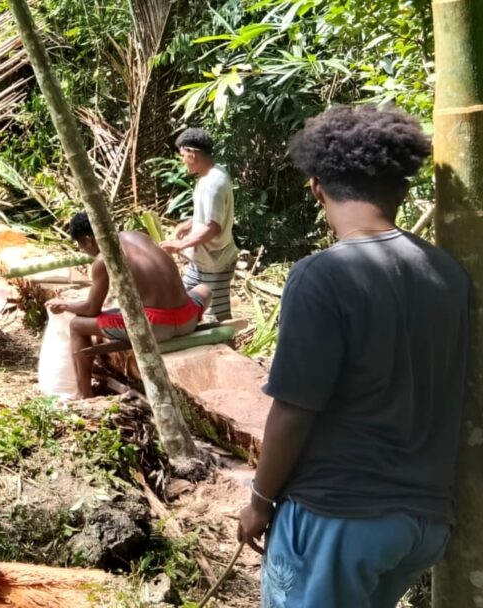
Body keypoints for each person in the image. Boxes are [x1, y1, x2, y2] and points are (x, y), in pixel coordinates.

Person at [236, 106, 469, 607]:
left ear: (318, 186)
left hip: (339, 513)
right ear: (402, 190)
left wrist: (259, 501)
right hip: (422, 522)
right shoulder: (448, 273)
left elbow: (295, 409)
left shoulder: (321, 275)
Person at [46, 212, 211, 400]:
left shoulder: (105, 257)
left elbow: (91, 309)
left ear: (88, 240)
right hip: (187, 318)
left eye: (81, 245)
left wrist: (65, 305)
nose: (84, 250)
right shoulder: (139, 236)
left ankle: (85, 395)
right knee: (204, 289)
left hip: (156, 328)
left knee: (77, 325)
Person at [159, 128, 239, 320]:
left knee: (216, 319)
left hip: (215, 263)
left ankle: (226, 349)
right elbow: (209, 217)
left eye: (183, 155)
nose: (182, 160)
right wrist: (187, 225)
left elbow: (212, 228)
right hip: (202, 260)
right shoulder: (210, 176)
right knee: (185, 302)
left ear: (192, 154)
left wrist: (179, 245)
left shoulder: (214, 184)